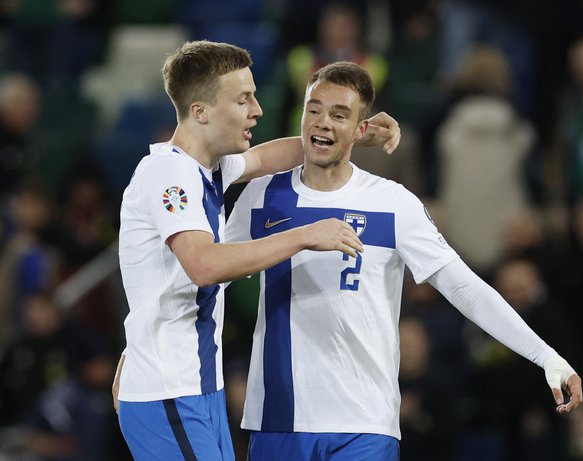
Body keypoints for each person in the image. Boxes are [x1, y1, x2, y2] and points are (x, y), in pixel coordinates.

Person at [224, 61, 583, 460]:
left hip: (365, 423)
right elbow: (208, 274)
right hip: (278, 420)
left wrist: (545, 355)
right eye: (314, 110)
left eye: (339, 115)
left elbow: (465, 288)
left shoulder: (392, 204)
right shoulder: (260, 198)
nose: (322, 123)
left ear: (362, 131)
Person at [112, 40, 400, 460]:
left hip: (198, 387)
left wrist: (350, 134)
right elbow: (203, 264)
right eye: (243, 99)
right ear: (200, 111)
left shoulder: (206, 168)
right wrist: (303, 235)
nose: (257, 110)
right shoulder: (167, 175)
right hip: (167, 389)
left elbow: (267, 158)